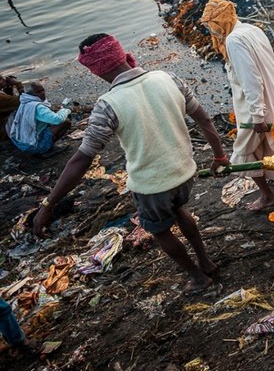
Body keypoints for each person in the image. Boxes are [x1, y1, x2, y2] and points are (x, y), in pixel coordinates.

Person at [32, 34, 228, 294]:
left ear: (97, 69)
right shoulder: (168, 78)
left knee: (160, 231)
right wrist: (219, 156)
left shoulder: (108, 105)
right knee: (179, 209)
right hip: (184, 171)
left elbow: (82, 158)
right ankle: (206, 262)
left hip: (152, 184)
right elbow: (204, 120)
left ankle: (198, 278)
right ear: (120, 55)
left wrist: (49, 203)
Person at [199, 0, 274, 211]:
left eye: (212, 25)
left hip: (257, 107)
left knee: (246, 151)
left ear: (220, 22)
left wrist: (257, 115)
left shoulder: (234, 40)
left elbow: (251, 79)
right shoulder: (251, 29)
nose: (212, 32)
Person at [5, 81, 71, 155]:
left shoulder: (24, 101)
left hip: (21, 142)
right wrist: (66, 110)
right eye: (38, 92)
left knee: (50, 120)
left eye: (43, 90)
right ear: (31, 94)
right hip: (32, 146)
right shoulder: (37, 107)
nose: (42, 93)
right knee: (66, 121)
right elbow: (57, 120)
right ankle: (45, 150)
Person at [0, 74, 24, 141]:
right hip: (4, 132)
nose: (5, 79)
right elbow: (24, 102)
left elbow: (7, 105)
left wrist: (8, 89)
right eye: (1, 79)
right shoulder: (1, 98)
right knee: (30, 108)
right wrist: (18, 84)